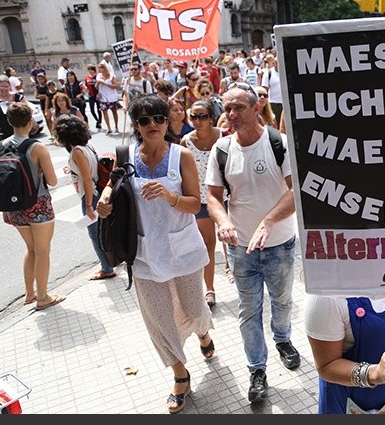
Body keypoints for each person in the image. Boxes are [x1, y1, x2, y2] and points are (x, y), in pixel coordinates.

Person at [95, 94, 215, 414]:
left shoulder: (182, 156)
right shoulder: (127, 155)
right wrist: (105, 200)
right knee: (159, 320)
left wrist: (169, 195)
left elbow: (194, 203)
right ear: (135, 125)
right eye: (144, 120)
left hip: (183, 248)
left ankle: (203, 333)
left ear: (167, 122)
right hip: (145, 253)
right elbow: (113, 185)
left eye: (159, 118)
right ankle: (180, 375)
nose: (153, 125)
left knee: (193, 307)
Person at [205, 82, 299, 403]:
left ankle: (283, 339)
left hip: (281, 245)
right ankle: (257, 370)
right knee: (249, 310)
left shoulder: (279, 144)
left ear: (256, 107)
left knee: (283, 301)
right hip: (242, 248)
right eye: (226, 108)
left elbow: (295, 192)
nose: (230, 115)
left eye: (238, 108)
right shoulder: (221, 150)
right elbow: (213, 198)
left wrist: (269, 220)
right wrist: (224, 221)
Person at [0, 102, 63, 310]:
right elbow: (52, 181)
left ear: (9, 122)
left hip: (15, 207)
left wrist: (6, 210)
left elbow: (0, 181)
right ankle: (43, 297)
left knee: (30, 248)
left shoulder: (1, 146)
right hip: (38, 205)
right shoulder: (37, 147)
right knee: (42, 250)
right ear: (30, 122)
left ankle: (30, 294)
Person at [52, 114, 116, 280]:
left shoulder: (77, 152)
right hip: (98, 192)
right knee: (106, 230)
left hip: (91, 195)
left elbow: (87, 178)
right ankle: (113, 260)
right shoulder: (87, 146)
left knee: (95, 235)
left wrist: (88, 205)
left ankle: (107, 268)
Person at [180, 99, 222, 307]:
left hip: (225, 198)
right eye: (193, 117)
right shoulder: (185, 142)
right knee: (208, 245)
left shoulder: (224, 136)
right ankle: (210, 289)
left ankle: (236, 272)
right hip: (201, 202)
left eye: (202, 116)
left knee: (233, 242)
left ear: (211, 117)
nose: (198, 121)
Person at [0, 74, 31, 143]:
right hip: (3, 134)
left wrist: (16, 105)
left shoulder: (18, 97)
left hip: (20, 133)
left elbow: (28, 111)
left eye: (6, 86)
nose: (4, 89)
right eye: (1, 86)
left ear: (10, 86)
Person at [96, 61, 122, 135]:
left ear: (104, 68)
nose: (99, 70)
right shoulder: (98, 76)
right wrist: (97, 84)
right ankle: (109, 128)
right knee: (104, 112)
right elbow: (96, 87)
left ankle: (116, 126)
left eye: (100, 68)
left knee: (114, 111)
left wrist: (105, 84)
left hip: (111, 96)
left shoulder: (111, 75)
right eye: (99, 68)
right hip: (103, 96)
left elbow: (115, 86)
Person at [260, 54, 283, 121]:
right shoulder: (269, 73)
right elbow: (265, 89)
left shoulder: (286, 72)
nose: (277, 64)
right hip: (273, 103)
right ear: (273, 63)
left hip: (285, 103)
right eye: (276, 63)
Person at [84, 64, 103, 130]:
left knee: (99, 109)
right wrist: (86, 89)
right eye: (89, 70)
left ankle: (100, 122)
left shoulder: (97, 76)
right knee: (92, 110)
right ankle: (97, 120)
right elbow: (86, 85)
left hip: (97, 95)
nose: (90, 71)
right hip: (90, 95)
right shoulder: (87, 78)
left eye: (91, 69)